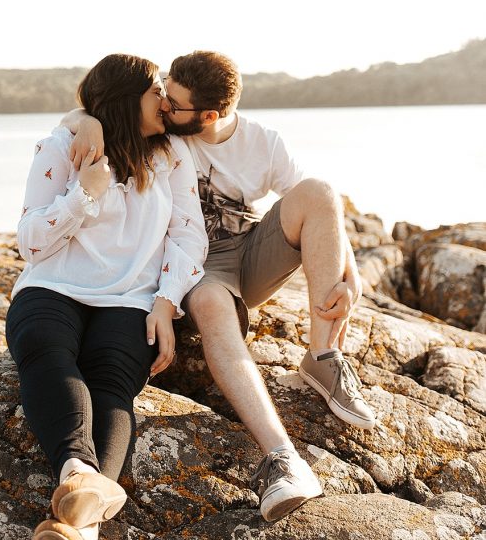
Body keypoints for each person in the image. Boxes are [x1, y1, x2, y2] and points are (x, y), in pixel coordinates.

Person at [64, 50, 376, 524]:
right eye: (164, 93)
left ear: (209, 115)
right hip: (196, 265)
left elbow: (323, 211)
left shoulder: (263, 143)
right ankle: (283, 458)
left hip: (248, 253)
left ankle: (323, 357)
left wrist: (352, 273)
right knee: (210, 301)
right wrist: (84, 120)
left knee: (318, 190)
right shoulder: (165, 128)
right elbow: (106, 105)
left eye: (175, 103)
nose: (164, 105)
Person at [6, 54, 208, 540]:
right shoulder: (61, 148)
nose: (165, 100)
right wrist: (84, 195)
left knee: (111, 381)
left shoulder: (172, 155)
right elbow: (30, 243)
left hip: (132, 297)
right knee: (46, 349)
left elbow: (188, 235)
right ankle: (81, 483)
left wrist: (167, 300)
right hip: (53, 285)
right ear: (125, 97)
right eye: (156, 90)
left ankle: (76, 516)